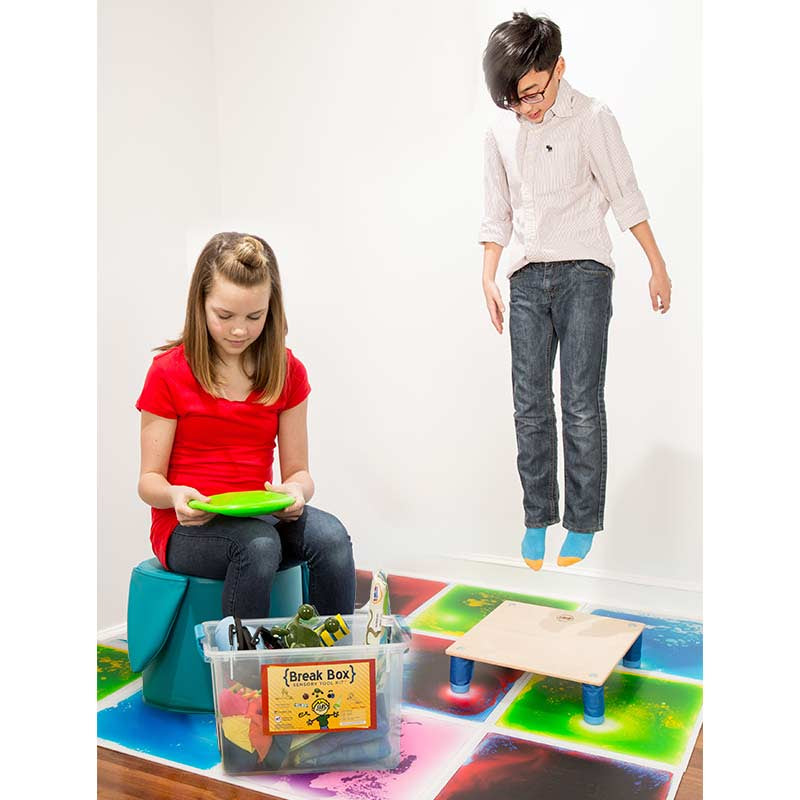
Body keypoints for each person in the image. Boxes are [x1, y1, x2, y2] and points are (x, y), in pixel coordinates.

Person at [479, 13, 672, 571]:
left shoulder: (593, 118)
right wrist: (487, 276)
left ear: (558, 67)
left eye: (534, 93)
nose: (527, 108)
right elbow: (497, 213)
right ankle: (537, 515)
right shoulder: (500, 131)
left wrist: (656, 266)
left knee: (581, 403)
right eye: (513, 100)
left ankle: (582, 521)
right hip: (524, 276)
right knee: (529, 404)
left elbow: (625, 194)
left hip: (585, 271)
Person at [136, 232, 355, 617]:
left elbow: (299, 472)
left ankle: (331, 664)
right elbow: (149, 482)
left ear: (272, 308)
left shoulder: (287, 372)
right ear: (200, 305)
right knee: (258, 545)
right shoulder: (168, 372)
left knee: (331, 536)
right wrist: (174, 496)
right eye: (224, 316)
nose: (240, 330)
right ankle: (242, 674)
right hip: (186, 529)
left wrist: (295, 492)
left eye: (255, 316)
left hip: (259, 518)